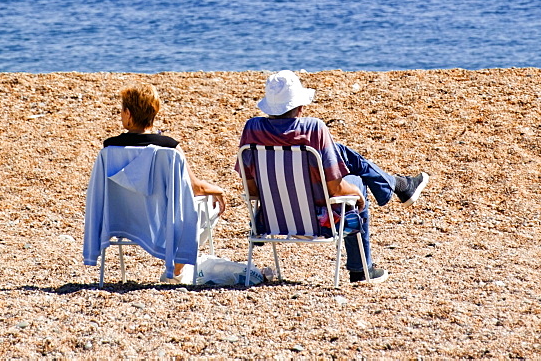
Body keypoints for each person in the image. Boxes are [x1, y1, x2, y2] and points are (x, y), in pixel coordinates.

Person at [236, 70, 429, 284]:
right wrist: (358, 193)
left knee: (339, 150)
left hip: (272, 220)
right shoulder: (313, 129)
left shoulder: (252, 130)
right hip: (320, 221)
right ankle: (361, 269)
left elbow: (252, 190)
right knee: (357, 179)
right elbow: (336, 190)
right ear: (300, 107)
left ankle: (398, 185)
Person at [102, 83, 226, 282]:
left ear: (128, 114)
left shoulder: (109, 149)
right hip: (163, 223)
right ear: (154, 113)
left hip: (122, 221)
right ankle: (176, 271)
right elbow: (195, 188)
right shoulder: (169, 148)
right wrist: (217, 189)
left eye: (122, 111)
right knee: (207, 206)